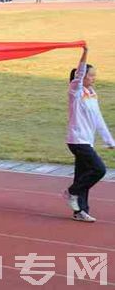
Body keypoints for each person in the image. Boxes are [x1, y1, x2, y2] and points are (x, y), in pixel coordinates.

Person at [63, 46, 114, 222]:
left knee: (82, 174)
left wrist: (109, 140)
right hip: (77, 140)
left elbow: (98, 119)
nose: (94, 78)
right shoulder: (74, 92)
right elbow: (78, 75)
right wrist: (84, 53)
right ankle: (71, 192)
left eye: (94, 75)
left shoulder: (92, 94)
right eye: (90, 75)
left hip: (87, 141)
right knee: (99, 169)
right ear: (82, 76)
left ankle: (80, 211)